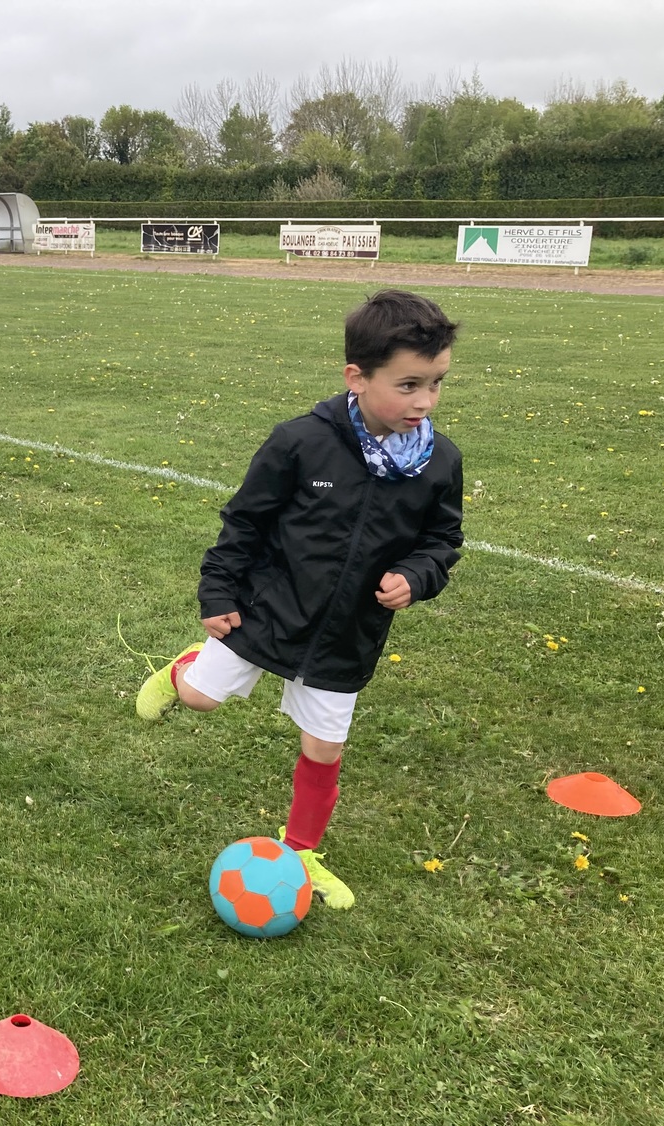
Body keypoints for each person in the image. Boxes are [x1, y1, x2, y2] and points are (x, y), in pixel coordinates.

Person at [135, 289, 464, 910]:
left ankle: (302, 853)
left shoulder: (439, 461)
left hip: (348, 633)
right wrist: (218, 590)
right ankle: (182, 671)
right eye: (408, 385)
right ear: (356, 377)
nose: (425, 402)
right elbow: (245, 522)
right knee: (202, 700)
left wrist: (416, 576)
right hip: (266, 610)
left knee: (324, 747)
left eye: (436, 383)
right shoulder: (300, 442)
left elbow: (442, 541)